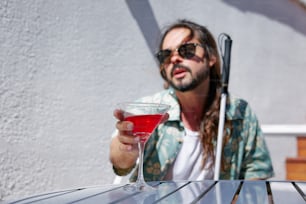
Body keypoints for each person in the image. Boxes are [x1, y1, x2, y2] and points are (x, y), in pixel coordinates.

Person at [109, 19, 274, 181]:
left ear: (211, 57)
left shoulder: (238, 111)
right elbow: (121, 164)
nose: (174, 59)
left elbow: (258, 174)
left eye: (187, 49)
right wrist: (126, 148)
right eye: (166, 55)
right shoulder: (150, 108)